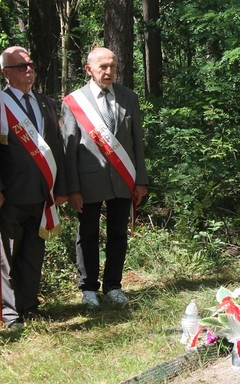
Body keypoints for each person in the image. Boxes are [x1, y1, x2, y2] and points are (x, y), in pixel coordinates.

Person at [61, 47, 148, 307]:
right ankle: (88, 288)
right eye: (103, 67)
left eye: (113, 66)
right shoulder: (74, 102)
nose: (109, 71)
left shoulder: (129, 97)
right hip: (88, 182)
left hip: (123, 178)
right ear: (89, 69)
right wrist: (73, 188)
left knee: (118, 234)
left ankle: (113, 285)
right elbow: (69, 149)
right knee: (87, 234)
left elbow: (137, 141)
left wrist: (141, 180)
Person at [0, 46, 67, 327]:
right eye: (21, 66)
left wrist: (61, 187)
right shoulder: (1, 103)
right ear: (6, 73)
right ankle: (10, 314)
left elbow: (56, 147)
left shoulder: (45, 103)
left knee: (33, 253)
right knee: (6, 256)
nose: (29, 69)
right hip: (10, 195)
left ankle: (30, 307)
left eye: (31, 64)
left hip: (41, 194)